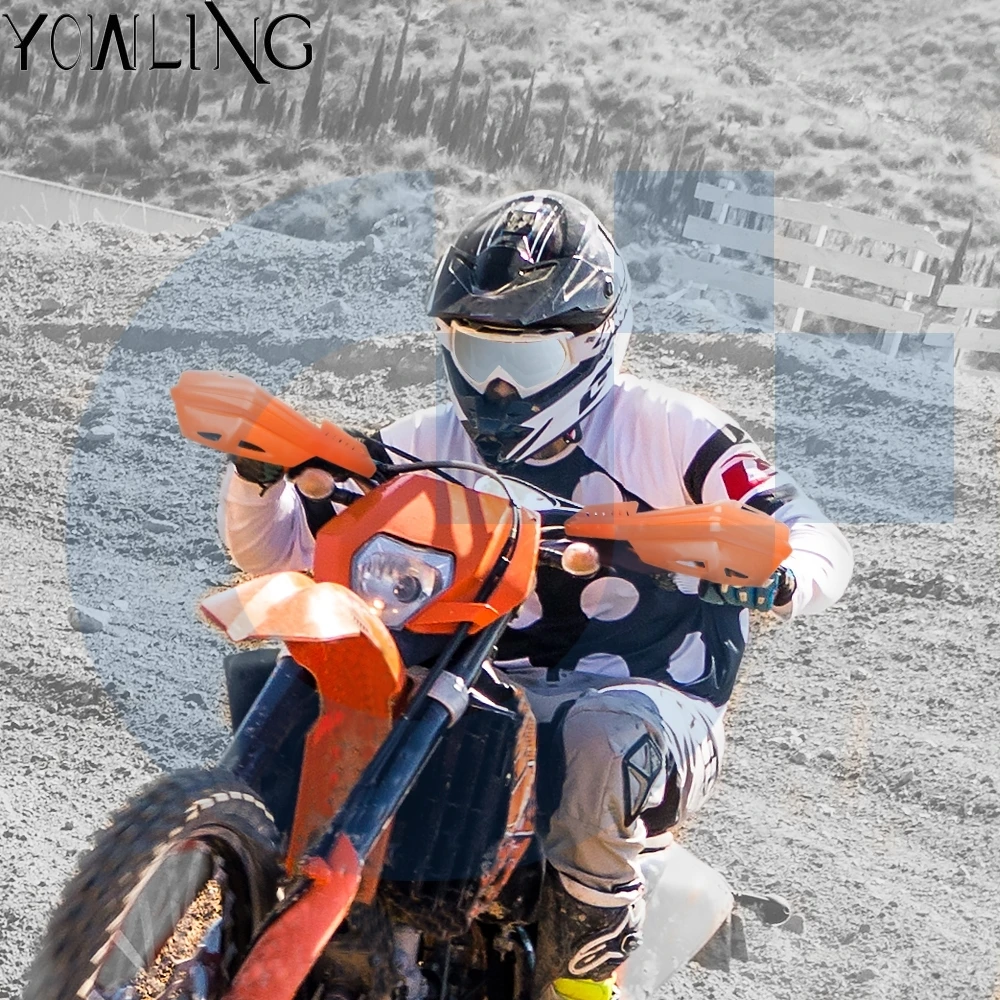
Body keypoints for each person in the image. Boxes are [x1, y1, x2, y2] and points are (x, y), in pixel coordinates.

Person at [219, 191, 854, 1000]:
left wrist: (786, 573)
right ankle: (216, 876)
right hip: (472, 682)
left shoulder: (671, 431)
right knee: (319, 668)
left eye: (524, 361)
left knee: (602, 738)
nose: (495, 385)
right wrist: (258, 482)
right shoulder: (427, 442)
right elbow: (288, 554)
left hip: (650, 695)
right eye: (475, 348)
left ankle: (580, 977)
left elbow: (811, 531)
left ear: (595, 342)